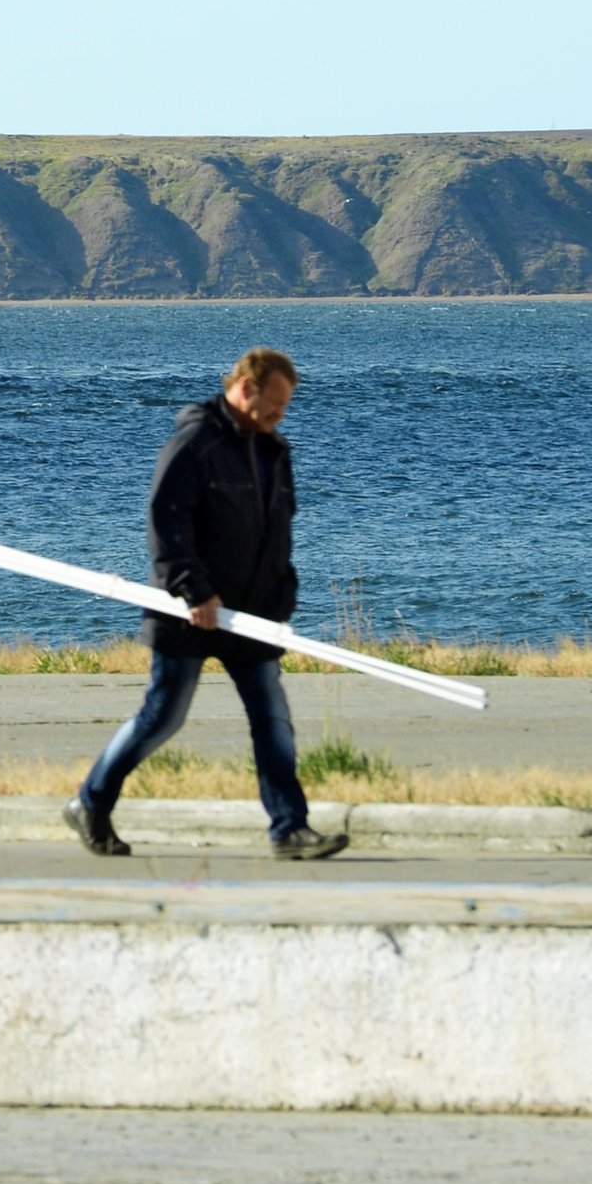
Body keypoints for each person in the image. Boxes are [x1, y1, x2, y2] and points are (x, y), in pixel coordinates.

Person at [65, 346, 348, 862]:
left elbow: (277, 529)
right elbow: (164, 521)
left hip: (252, 614)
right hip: (188, 611)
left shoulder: (271, 450)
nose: (280, 415)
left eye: (286, 407)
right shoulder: (195, 442)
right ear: (245, 388)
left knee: (271, 718)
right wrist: (193, 589)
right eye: (276, 404)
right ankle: (91, 801)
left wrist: (281, 595)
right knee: (163, 716)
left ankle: (290, 829)